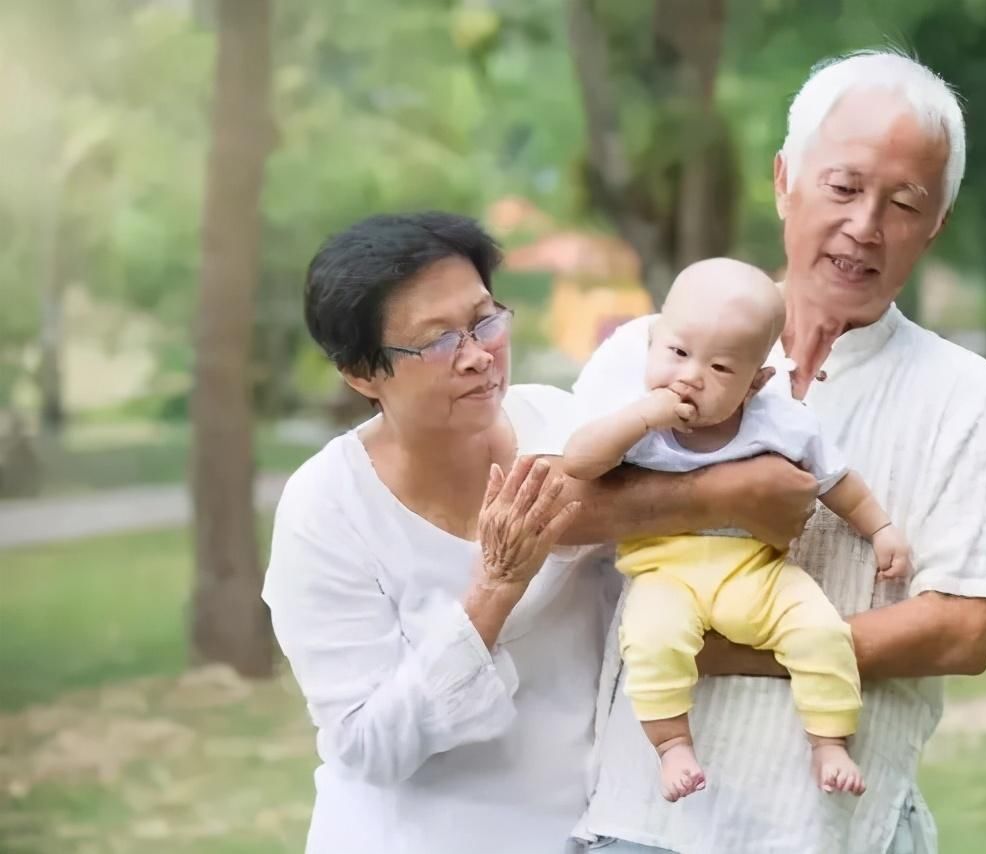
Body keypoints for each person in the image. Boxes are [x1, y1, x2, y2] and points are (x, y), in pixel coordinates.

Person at [573, 49, 986, 853]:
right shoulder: (646, 353)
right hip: (637, 824)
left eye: (905, 203)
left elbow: (966, 628)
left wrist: (738, 649)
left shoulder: (966, 395)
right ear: (785, 180)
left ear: (936, 225)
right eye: (843, 188)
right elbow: (547, 513)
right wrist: (718, 498)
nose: (865, 226)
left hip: (831, 831)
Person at [261, 212, 821, 854]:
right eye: (438, 341)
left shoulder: (561, 424)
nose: (477, 357)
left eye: (484, 320)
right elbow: (367, 746)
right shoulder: (325, 508)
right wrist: (495, 590)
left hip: (584, 832)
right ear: (361, 373)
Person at [563, 257, 911, 803]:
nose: (690, 376)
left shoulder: (779, 420)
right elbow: (579, 461)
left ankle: (828, 741)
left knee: (821, 631)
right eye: (677, 352)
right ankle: (672, 743)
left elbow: (837, 480)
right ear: (654, 342)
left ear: (756, 383)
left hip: (758, 572)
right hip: (663, 571)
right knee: (651, 640)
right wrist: (643, 418)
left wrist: (882, 528)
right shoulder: (634, 416)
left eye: (721, 369)